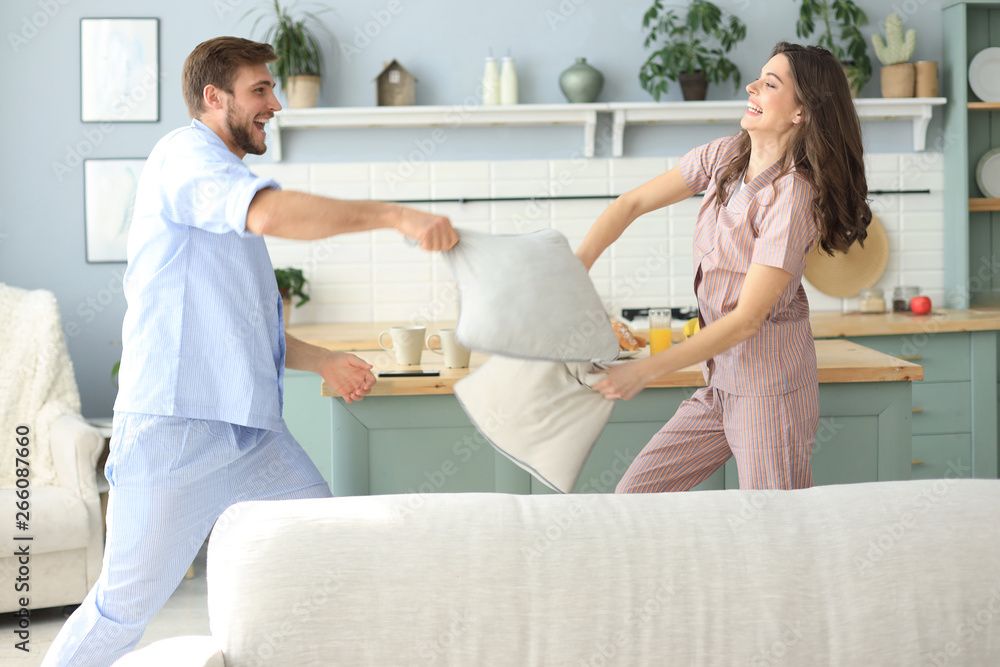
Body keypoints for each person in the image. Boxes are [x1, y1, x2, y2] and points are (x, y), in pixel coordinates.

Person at [42, 37, 457, 667]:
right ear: (214, 98)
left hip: (249, 436)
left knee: (324, 552)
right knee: (124, 606)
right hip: (174, 430)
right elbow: (271, 215)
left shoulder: (220, 178)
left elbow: (235, 322)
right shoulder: (187, 158)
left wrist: (320, 359)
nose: (276, 104)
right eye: (260, 90)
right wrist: (395, 214)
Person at [576, 42, 871, 492]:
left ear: (801, 112)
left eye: (770, 84)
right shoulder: (726, 157)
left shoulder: (793, 197)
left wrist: (644, 370)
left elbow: (746, 320)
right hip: (719, 386)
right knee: (635, 496)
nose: (752, 86)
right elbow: (630, 203)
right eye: (759, 77)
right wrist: (576, 271)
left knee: (775, 532)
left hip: (769, 393)